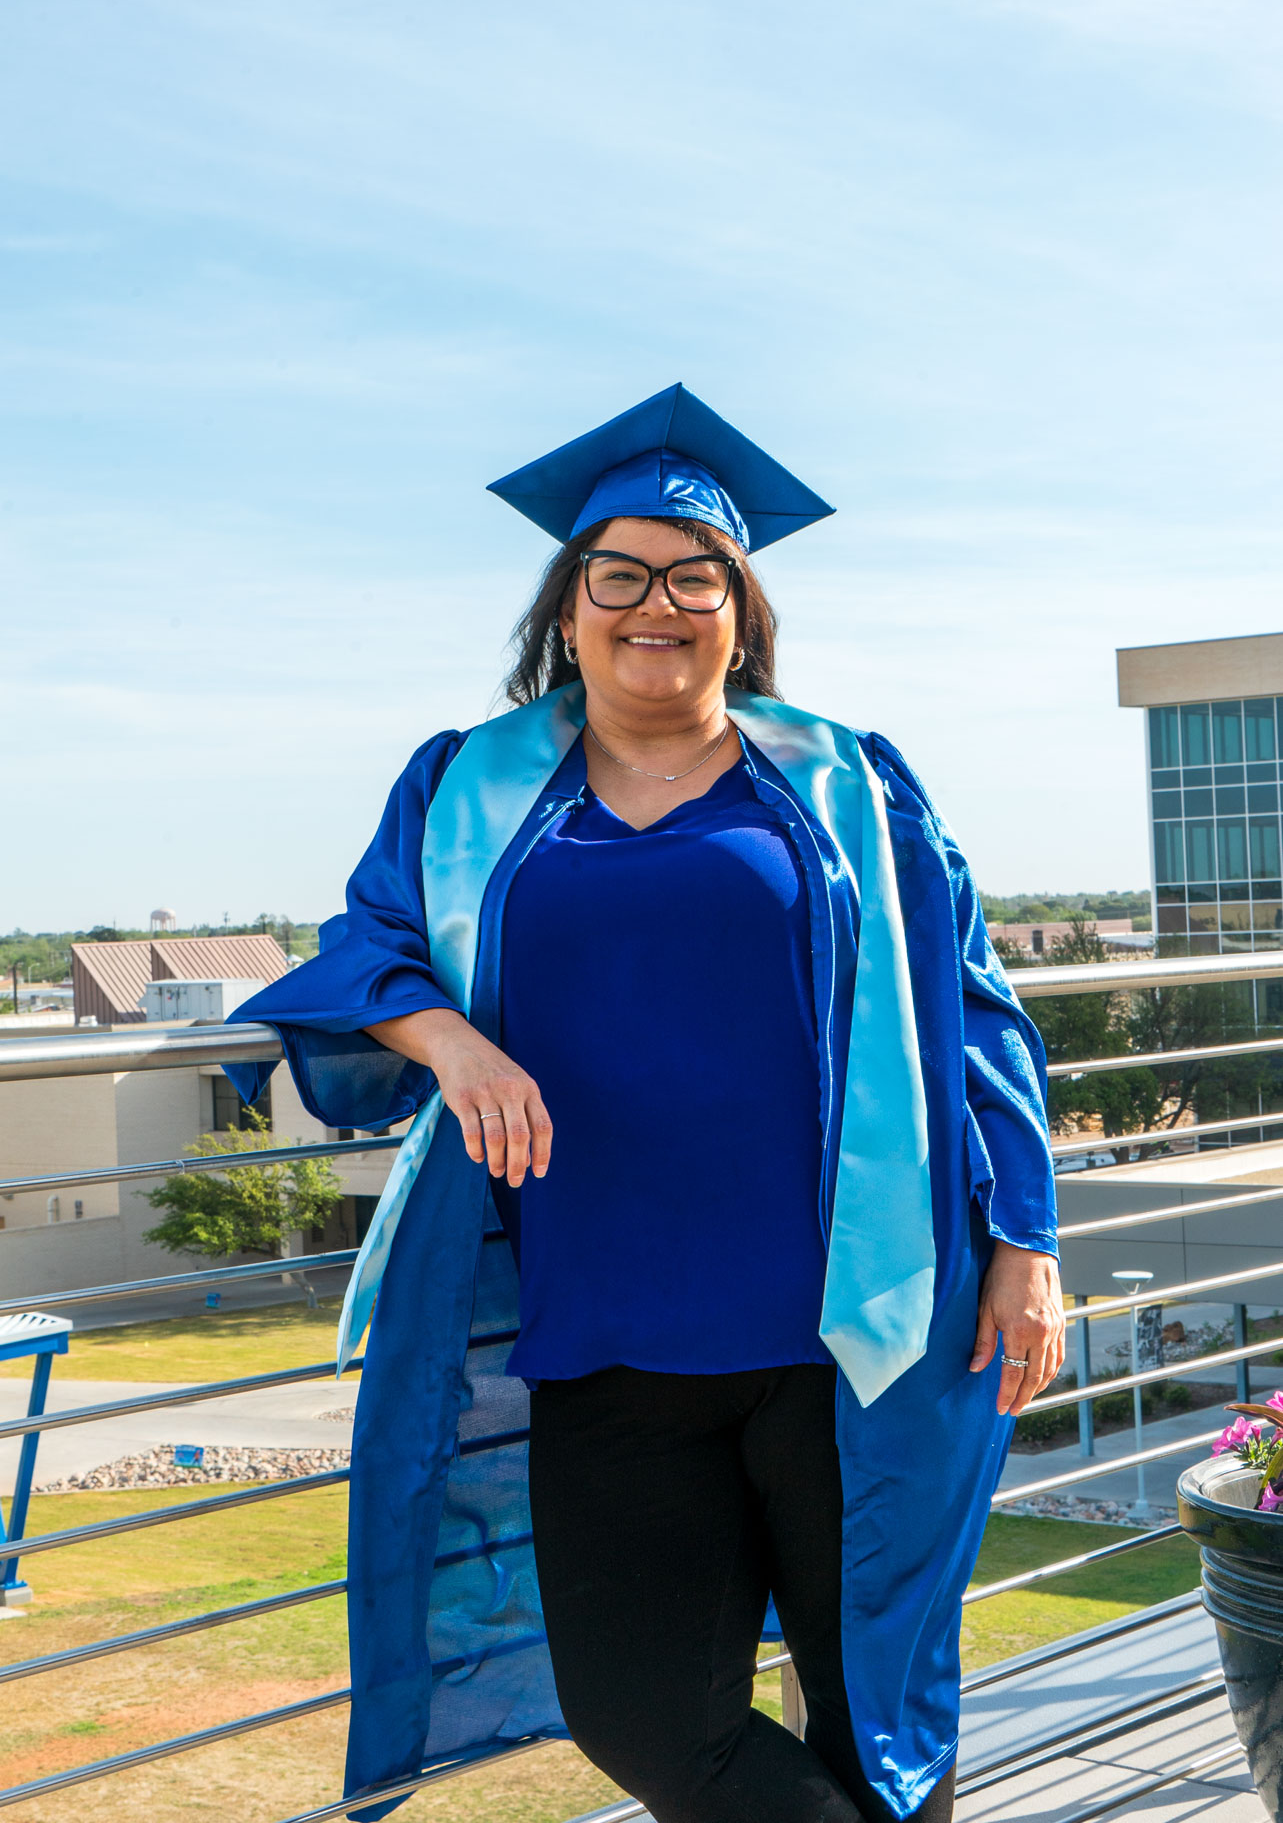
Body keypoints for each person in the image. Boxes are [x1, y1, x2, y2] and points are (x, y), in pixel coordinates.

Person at [226, 383, 1064, 1823]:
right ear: (569, 606)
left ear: (741, 613)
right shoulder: (467, 790)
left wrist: (1028, 1240)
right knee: (646, 1720)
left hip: (850, 1338)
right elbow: (362, 950)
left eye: (696, 576)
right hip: (604, 1339)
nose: (654, 603)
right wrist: (456, 1048)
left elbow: (975, 1011)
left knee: (876, 1729)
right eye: (619, 574)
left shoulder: (854, 789)